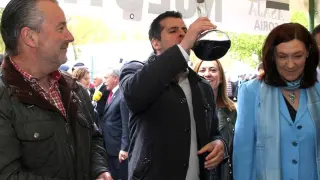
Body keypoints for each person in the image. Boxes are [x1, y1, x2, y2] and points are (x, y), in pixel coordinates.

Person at [0, 0, 112, 179]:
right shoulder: (4, 98)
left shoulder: (75, 89)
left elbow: (94, 138)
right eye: (61, 28)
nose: (70, 37)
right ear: (30, 37)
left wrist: (99, 170)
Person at [119, 11, 226, 180]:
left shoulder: (202, 85)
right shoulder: (135, 71)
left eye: (185, 29)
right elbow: (134, 96)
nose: (183, 34)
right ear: (156, 43)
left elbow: (213, 130)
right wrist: (182, 48)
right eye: (173, 30)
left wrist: (219, 143)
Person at [233, 23, 320, 180]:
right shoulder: (251, 92)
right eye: (282, 56)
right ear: (272, 56)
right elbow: (243, 155)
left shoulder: (318, 92)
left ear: (308, 53)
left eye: (298, 55)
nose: (290, 64)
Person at [194, 59, 237, 180]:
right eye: (202, 70)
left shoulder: (232, 110)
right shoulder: (187, 108)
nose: (207, 73)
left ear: (221, 77)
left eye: (213, 70)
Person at [101, 68, 129, 180]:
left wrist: (124, 147)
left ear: (115, 78)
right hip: (109, 146)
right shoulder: (111, 94)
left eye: (106, 78)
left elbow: (125, 124)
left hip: (118, 149)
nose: (104, 81)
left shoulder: (122, 96)